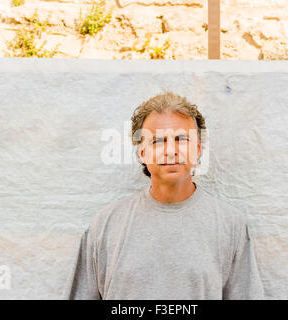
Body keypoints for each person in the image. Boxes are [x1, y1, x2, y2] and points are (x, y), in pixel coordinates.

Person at [68, 92, 265, 299]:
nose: (171, 151)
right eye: (158, 141)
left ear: (197, 149)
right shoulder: (105, 225)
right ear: (142, 152)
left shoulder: (229, 225)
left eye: (181, 139)